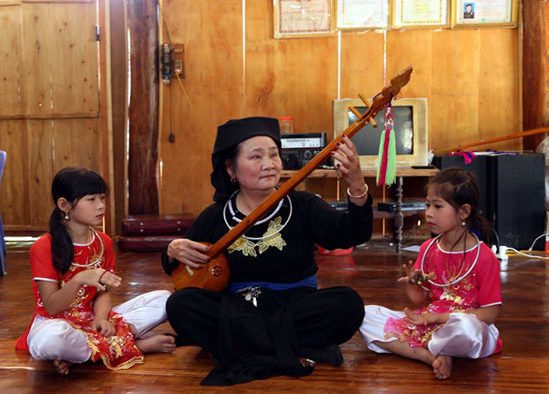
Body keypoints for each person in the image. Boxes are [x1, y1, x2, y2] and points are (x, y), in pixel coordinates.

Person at [162, 116, 373, 385]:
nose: (269, 164)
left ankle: (242, 349)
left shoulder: (303, 204)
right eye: (256, 157)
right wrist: (172, 249)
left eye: (274, 155)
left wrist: (356, 184)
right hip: (238, 308)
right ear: (231, 169)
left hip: (295, 305)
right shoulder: (216, 215)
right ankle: (287, 350)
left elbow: (352, 234)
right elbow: (175, 266)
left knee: (348, 304)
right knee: (180, 305)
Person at [16, 167, 175, 375]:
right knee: (51, 341)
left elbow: (104, 290)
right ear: (64, 205)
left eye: (102, 198)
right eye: (91, 199)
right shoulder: (44, 246)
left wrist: (101, 318)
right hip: (54, 324)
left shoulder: (103, 242)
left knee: (165, 300)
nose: (101, 206)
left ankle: (84, 355)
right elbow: (52, 307)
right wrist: (79, 279)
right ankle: (134, 346)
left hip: (91, 321)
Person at [360, 167, 501, 380]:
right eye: (427, 205)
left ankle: (438, 348)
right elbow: (420, 298)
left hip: (469, 331)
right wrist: (412, 284)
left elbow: (490, 316)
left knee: (464, 327)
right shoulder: (428, 249)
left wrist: (442, 317)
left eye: (437, 206)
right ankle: (430, 356)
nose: (429, 213)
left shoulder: (484, 256)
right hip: (430, 324)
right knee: (364, 314)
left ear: (464, 212)